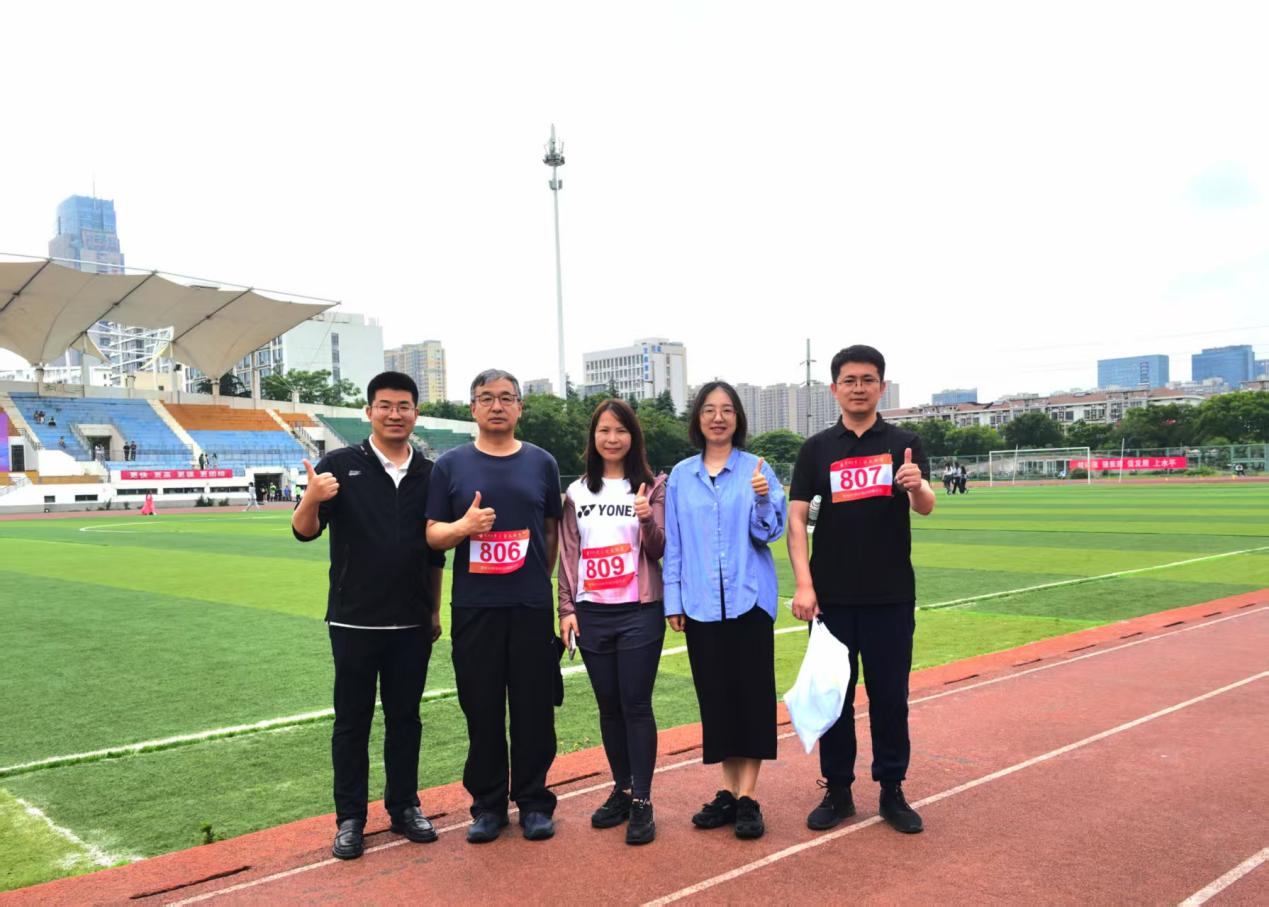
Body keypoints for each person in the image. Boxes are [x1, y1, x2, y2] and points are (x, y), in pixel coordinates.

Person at [291, 371, 446, 861]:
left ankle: (404, 806)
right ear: (369, 412)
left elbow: (435, 552)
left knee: (405, 719)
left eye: (404, 406)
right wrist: (311, 497)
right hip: (353, 621)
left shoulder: (430, 473)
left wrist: (434, 609)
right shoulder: (339, 465)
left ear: (415, 413)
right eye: (385, 406)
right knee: (352, 722)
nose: (394, 414)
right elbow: (304, 531)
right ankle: (350, 819)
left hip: (412, 622)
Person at [787, 344, 935, 836]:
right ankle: (838, 790)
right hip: (831, 600)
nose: (858, 388)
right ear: (834, 388)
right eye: (849, 380)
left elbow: (926, 506)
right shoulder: (816, 449)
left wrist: (916, 484)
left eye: (867, 380)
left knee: (890, 698)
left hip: (890, 596)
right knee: (835, 698)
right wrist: (804, 585)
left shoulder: (904, 443)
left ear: (881, 387)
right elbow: (796, 520)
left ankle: (892, 789)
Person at [426, 369, 563, 844]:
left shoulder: (542, 462)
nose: (497, 406)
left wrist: (536, 579)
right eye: (487, 398)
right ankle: (488, 806)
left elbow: (551, 530)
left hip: (529, 606)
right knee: (481, 709)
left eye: (507, 398)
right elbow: (433, 535)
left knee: (533, 709)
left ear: (520, 407)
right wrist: (464, 527)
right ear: (473, 408)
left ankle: (534, 802)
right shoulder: (450, 466)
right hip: (475, 608)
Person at [663, 381, 785, 840]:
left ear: (738, 418)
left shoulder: (757, 468)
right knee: (716, 698)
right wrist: (673, 601)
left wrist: (761, 498)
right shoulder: (681, 476)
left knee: (752, 697)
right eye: (709, 410)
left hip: (749, 600)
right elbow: (674, 542)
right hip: (699, 605)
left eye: (727, 410)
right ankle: (729, 792)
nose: (718, 417)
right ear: (697, 418)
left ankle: (748, 795)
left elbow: (768, 533)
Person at [558, 399, 666, 845]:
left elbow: (659, 549)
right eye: (604, 430)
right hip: (592, 613)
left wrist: (646, 520)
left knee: (635, 704)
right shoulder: (577, 492)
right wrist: (566, 608)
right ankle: (622, 789)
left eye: (621, 430)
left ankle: (642, 799)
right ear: (593, 437)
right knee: (608, 706)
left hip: (639, 611)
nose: (612, 438)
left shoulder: (652, 487)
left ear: (633, 437)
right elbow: (569, 554)